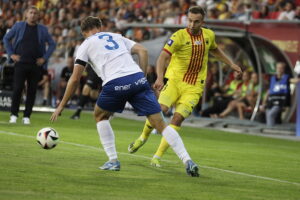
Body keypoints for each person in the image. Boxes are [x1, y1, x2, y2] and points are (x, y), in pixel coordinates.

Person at [50, 16, 199, 177]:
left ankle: (113, 161)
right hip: (137, 79)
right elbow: (143, 50)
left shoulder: (85, 45)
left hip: (115, 83)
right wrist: (142, 76)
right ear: (99, 27)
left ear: (83, 32)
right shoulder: (115, 36)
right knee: (161, 124)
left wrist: (61, 105)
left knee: (100, 116)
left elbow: (74, 78)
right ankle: (188, 160)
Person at [128, 6, 242, 167]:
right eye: (189, 20)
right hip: (175, 81)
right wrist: (160, 77)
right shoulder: (179, 36)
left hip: (194, 86)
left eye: (196, 22)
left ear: (203, 22)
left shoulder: (209, 35)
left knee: (178, 118)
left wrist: (231, 64)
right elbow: (162, 58)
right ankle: (142, 138)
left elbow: (215, 50)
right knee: (160, 110)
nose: (192, 24)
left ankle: (157, 157)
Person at [3, 6, 56, 124]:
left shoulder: (42, 29)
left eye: (35, 13)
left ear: (38, 16)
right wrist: (11, 54)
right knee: (17, 89)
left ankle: (27, 116)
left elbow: (52, 44)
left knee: (32, 90)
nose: (33, 15)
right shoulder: (18, 26)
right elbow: (6, 38)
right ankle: (13, 115)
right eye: (31, 12)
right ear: (26, 14)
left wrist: (44, 58)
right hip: (20, 63)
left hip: (35, 64)